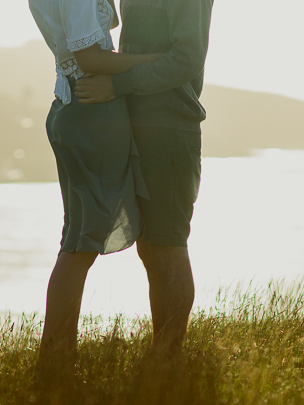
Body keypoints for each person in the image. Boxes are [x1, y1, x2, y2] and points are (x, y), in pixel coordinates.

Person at [75, 0, 212, 353]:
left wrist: (118, 86)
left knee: (166, 245)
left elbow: (187, 57)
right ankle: (161, 352)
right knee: (150, 248)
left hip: (168, 126)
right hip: (137, 123)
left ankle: (169, 358)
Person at [29, 0, 162, 362]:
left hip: (71, 106)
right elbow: (89, 58)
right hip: (91, 113)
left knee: (76, 239)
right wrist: (152, 61)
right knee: (81, 244)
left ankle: (56, 354)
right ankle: (56, 358)